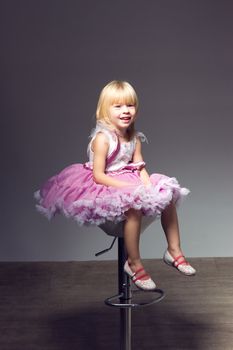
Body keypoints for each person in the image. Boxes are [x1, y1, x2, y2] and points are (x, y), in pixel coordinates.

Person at [35, 80, 196, 291]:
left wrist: (148, 185)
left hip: (128, 179)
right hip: (106, 184)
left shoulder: (135, 138)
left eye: (130, 105)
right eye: (118, 106)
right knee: (133, 207)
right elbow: (99, 176)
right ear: (104, 110)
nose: (125, 111)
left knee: (168, 195)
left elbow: (139, 166)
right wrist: (126, 187)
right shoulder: (103, 139)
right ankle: (133, 262)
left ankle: (174, 251)